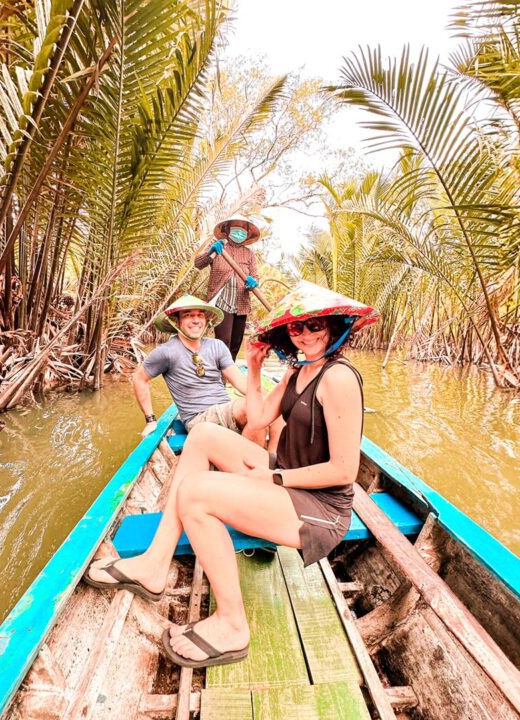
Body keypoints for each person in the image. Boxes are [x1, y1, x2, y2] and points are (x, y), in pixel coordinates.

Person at [84, 281, 378, 669]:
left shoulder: (339, 378)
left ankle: (232, 625)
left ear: (335, 326)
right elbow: (257, 418)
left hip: (319, 507)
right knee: (204, 434)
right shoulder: (299, 370)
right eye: (296, 328)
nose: (305, 335)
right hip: (284, 476)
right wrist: (254, 369)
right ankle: (155, 563)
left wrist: (274, 480)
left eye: (315, 326)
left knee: (197, 494)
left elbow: (344, 471)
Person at [133, 294, 250, 437]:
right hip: (198, 419)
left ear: (206, 320)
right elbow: (139, 378)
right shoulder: (166, 352)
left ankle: (273, 456)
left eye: (200, 315)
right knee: (253, 408)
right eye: (188, 315)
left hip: (225, 409)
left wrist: (263, 398)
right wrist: (150, 420)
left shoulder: (217, 346)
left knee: (267, 405)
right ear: (176, 321)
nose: (196, 320)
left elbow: (239, 381)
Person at [194, 215, 263, 359]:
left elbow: (255, 276)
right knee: (223, 342)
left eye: (243, 229)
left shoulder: (249, 254)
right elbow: (199, 264)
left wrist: (253, 282)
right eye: (236, 228)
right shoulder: (219, 247)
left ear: (247, 233)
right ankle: (220, 378)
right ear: (227, 229)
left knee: (236, 344)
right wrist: (210, 252)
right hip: (221, 302)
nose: (240, 232)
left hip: (241, 304)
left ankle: (227, 375)